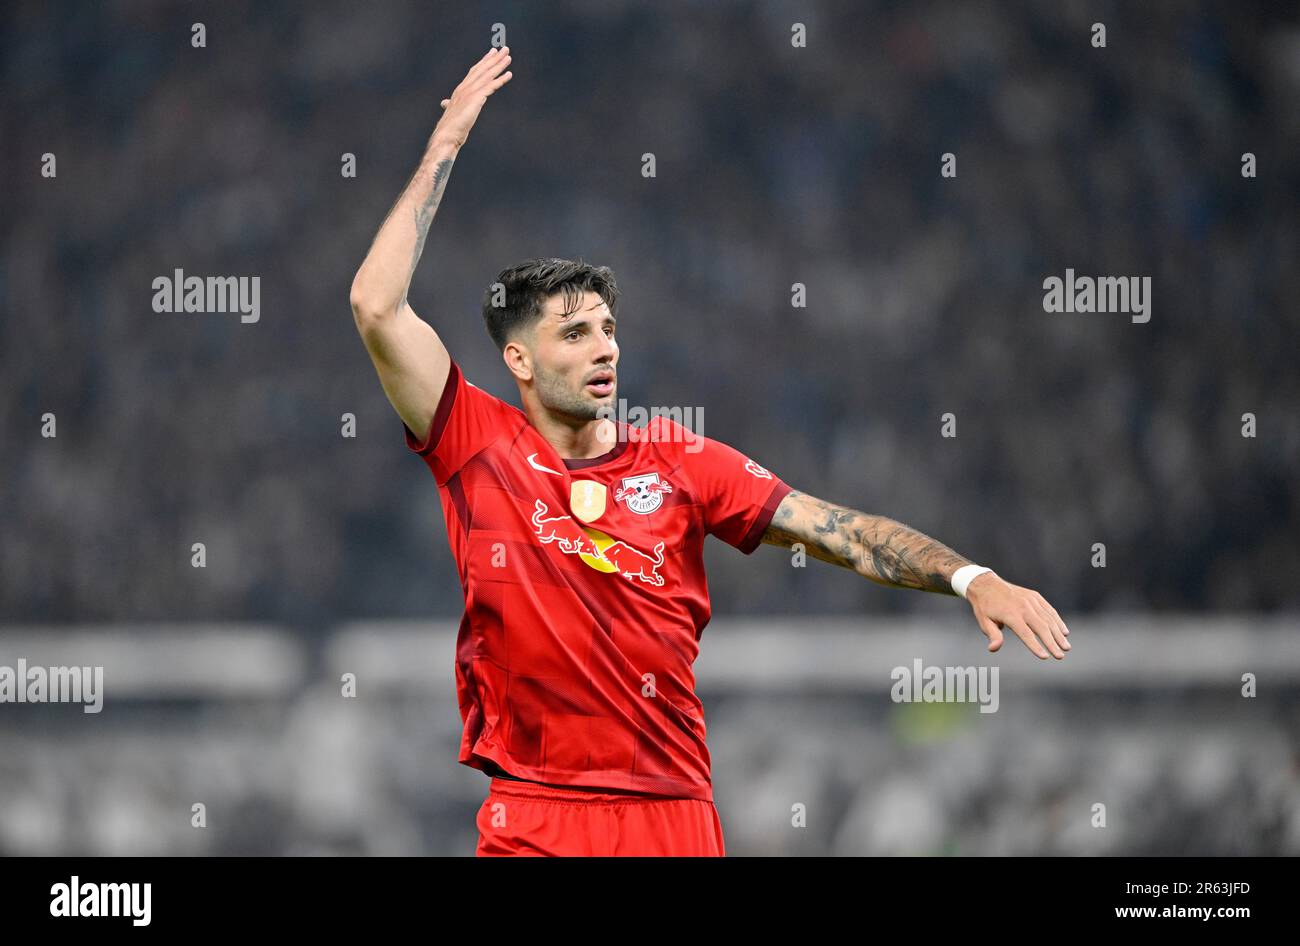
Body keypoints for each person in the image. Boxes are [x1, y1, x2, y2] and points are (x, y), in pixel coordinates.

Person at [350, 47, 1071, 856]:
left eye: (610, 331)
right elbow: (376, 307)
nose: (604, 350)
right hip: (537, 816)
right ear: (518, 359)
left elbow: (840, 532)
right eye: (576, 333)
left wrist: (970, 576)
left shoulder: (682, 463)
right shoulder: (477, 443)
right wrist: (444, 147)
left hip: (672, 816)